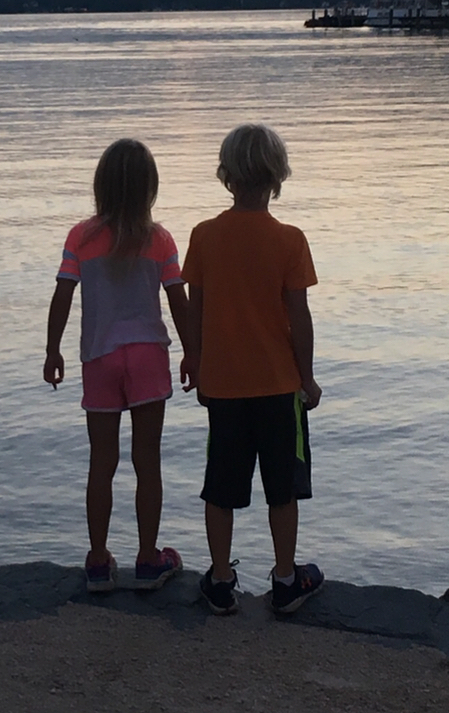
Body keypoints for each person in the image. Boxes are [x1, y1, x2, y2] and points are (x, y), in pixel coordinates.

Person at [180, 124, 323, 615]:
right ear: (277, 176)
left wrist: (196, 362)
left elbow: (195, 310)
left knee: (221, 487)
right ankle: (285, 580)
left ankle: (221, 580)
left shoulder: (204, 236)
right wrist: (307, 378)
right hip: (279, 385)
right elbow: (299, 317)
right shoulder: (290, 240)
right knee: (282, 489)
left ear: (227, 175)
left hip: (224, 385)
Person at [44, 138, 191, 593]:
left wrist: (52, 350)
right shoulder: (160, 240)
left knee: (101, 462)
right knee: (148, 462)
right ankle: (147, 558)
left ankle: (97, 559)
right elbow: (178, 301)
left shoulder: (81, 238)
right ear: (149, 187)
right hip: (148, 355)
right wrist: (194, 353)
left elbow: (63, 295)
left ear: (101, 185)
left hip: (100, 356)